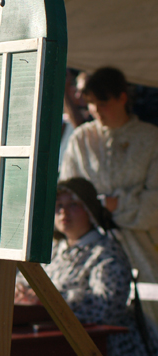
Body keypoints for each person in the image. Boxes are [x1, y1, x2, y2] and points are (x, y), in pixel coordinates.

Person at [59, 67, 158, 323]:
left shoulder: (151, 139)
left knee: (149, 321)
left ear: (122, 98)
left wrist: (118, 204)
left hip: (145, 252)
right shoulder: (82, 140)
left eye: (103, 103)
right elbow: (66, 195)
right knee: (93, 319)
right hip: (93, 254)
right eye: (91, 103)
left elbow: (154, 206)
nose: (95, 110)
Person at [16, 178, 158, 356]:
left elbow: (105, 309)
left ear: (89, 210)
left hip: (101, 345)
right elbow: (28, 282)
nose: (63, 211)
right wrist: (22, 291)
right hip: (54, 339)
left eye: (73, 204)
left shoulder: (106, 253)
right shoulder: (53, 251)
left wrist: (45, 300)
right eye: (59, 204)